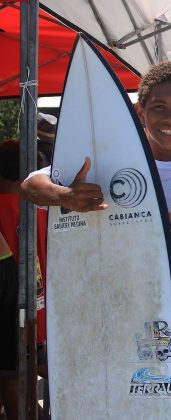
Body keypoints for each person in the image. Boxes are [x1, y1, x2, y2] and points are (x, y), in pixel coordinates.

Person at [20, 61, 171, 419]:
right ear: (140, 112)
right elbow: (30, 185)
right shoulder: (112, 160)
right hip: (118, 326)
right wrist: (65, 197)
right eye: (159, 107)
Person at [0, 140, 49, 420]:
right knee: (30, 365)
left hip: (8, 307)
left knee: (11, 373)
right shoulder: (40, 208)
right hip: (38, 302)